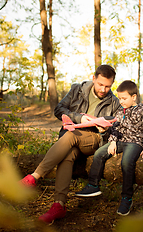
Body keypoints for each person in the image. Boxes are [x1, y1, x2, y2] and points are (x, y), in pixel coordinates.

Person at [20, 65, 121, 224]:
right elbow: (59, 109)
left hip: (94, 140)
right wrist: (78, 118)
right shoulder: (77, 89)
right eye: (100, 84)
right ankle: (59, 205)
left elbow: (117, 130)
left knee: (71, 135)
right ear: (93, 79)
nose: (103, 89)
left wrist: (103, 130)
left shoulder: (115, 102)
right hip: (72, 137)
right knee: (68, 154)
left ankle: (34, 177)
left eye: (108, 86)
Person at [75, 80, 143, 216]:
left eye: (124, 98)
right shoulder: (120, 111)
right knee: (99, 153)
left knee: (126, 162)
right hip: (120, 141)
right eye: (119, 98)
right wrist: (112, 142)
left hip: (136, 143)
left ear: (134, 97)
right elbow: (114, 129)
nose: (121, 101)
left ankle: (126, 198)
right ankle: (93, 185)